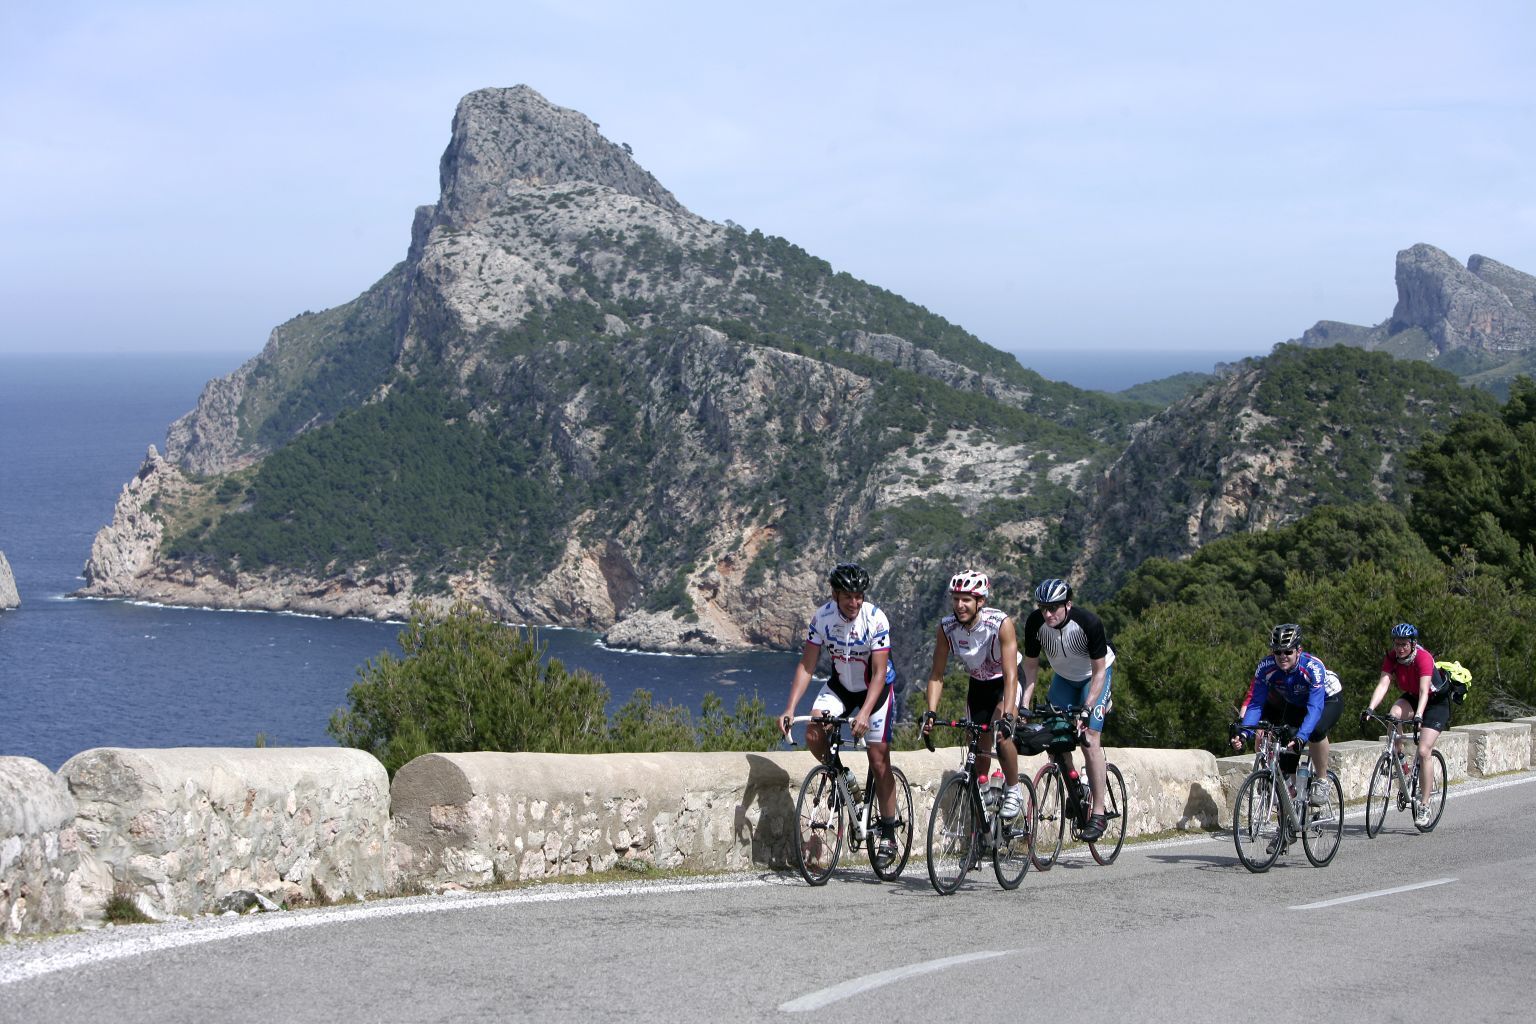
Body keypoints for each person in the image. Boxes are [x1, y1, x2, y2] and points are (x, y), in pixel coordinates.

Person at [779, 562, 900, 865]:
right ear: (834, 594)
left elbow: (880, 671)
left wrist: (865, 714)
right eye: (847, 596)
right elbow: (807, 666)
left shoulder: (875, 619)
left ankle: (887, 830)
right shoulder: (822, 617)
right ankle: (843, 777)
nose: (854, 602)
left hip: (876, 688)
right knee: (814, 732)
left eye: (859, 596)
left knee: (878, 758)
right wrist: (791, 708)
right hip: (841, 687)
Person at [919, 570, 1026, 820]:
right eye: (955, 599)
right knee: (976, 745)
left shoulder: (1000, 623)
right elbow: (936, 674)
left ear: (981, 601)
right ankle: (985, 796)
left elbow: (1011, 676)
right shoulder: (947, 628)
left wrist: (1009, 714)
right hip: (978, 685)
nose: (959, 605)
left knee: (1001, 736)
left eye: (966, 599)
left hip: (1006, 682)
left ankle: (1013, 789)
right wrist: (931, 711)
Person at [1018, 578, 1116, 841]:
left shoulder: (1088, 623)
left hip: (1094, 677)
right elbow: (1030, 667)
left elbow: (1098, 672)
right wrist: (1024, 705)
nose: (1048, 614)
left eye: (1054, 608)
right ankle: (1075, 788)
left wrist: (1087, 708)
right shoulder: (1035, 623)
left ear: (1068, 605)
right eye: (1043, 608)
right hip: (1063, 679)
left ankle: (1098, 812)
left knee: (1089, 740)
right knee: (1056, 738)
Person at [1234, 623, 1342, 807]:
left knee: (1315, 731)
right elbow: (1256, 703)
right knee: (1286, 745)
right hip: (1296, 702)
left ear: (1298, 650)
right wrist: (1245, 733)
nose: (1283, 656)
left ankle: (1322, 780)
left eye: (1288, 652)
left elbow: (1315, 709)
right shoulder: (1266, 667)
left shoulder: (1312, 667)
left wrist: (1301, 737)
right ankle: (1293, 803)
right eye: (1278, 652)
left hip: (1327, 699)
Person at [1361, 623, 1449, 827]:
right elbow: (1384, 684)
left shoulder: (1423, 658)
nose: (1400, 648)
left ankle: (1425, 805)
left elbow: (1425, 690)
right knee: (1393, 715)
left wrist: (1419, 716)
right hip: (1411, 697)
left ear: (1413, 643)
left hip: (1434, 703)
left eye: (1404, 644)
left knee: (1425, 750)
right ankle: (1400, 759)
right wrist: (1370, 708)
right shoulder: (1392, 657)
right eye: (1397, 644)